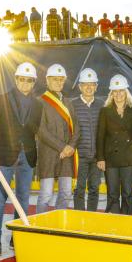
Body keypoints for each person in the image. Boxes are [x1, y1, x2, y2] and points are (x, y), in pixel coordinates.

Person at [0, 62, 40, 256]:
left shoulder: (38, 104)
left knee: (23, 198)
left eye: (29, 80)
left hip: (28, 156)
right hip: (5, 156)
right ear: (16, 79)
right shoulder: (0, 100)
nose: (25, 83)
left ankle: (16, 237)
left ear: (34, 82)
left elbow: (34, 129)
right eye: (22, 79)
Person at [36, 64, 79, 213]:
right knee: (46, 195)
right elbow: (41, 130)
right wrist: (63, 147)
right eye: (55, 79)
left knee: (66, 193)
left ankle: (59, 222)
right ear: (47, 80)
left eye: (61, 79)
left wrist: (71, 146)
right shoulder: (40, 101)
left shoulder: (68, 103)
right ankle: (40, 224)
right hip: (48, 155)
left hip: (67, 156)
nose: (59, 82)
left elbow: (77, 128)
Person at [97, 75, 132, 214]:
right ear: (111, 93)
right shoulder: (105, 110)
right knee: (112, 194)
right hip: (111, 158)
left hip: (129, 158)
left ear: (126, 92)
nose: (118, 94)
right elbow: (100, 136)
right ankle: (113, 221)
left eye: (121, 90)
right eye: (115, 91)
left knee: (128, 193)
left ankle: (127, 221)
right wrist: (100, 158)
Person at [70, 68, 103, 212]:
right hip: (79, 156)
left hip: (96, 157)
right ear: (80, 86)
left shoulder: (102, 105)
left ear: (96, 86)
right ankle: (79, 219)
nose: (89, 87)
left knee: (94, 189)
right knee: (79, 189)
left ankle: (91, 218)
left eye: (92, 84)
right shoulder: (72, 105)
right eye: (85, 84)